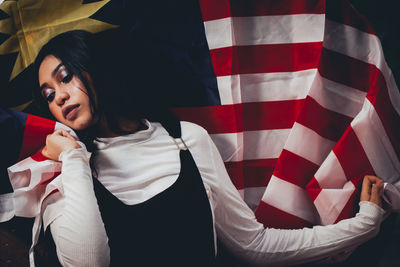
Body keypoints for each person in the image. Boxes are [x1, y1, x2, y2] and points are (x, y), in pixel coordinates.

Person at [32, 29, 385, 266]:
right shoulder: (62, 173)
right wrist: (73, 156)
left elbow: (255, 246)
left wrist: (365, 224)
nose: (59, 96)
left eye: (65, 77)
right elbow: (89, 261)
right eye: (48, 95)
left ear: (96, 69)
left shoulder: (186, 138)